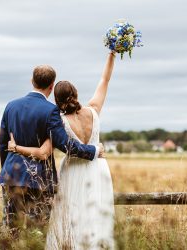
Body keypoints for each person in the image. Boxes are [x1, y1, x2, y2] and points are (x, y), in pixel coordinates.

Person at [7, 52, 116, 249]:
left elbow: (46, 150)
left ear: (56, 99)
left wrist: (16, 147)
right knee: (98, 215)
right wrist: (112, 54)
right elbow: (104, 79)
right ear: (76, 93)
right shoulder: (94, 110)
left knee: (71, 213)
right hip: (98, 167)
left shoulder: (57, 119)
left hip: (73, 170)